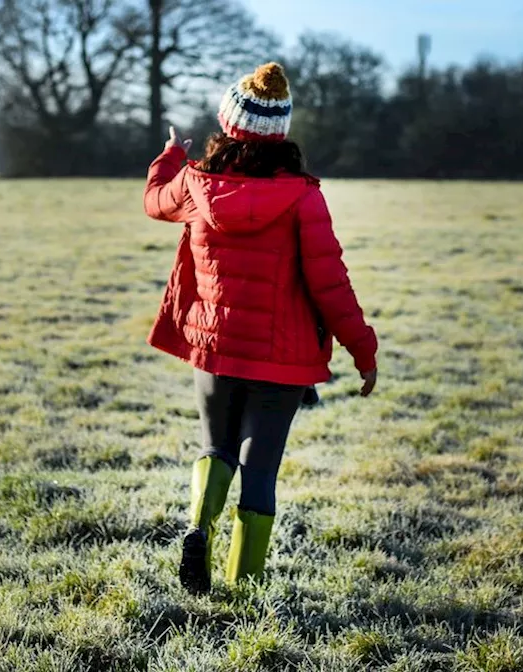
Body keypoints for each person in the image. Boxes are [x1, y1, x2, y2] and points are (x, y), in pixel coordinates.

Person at [142, 62, 380, 595]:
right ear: (282, 133)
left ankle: (198, 527)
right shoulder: (303, 196)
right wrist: (363, 351)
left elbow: (154, 202)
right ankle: (244, 591)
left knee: (215, 448)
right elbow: (331, 285)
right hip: (281, 360)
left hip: (214, 347)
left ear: (228, 124)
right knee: (260, 469)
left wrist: (170, 156)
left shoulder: (193, 183)